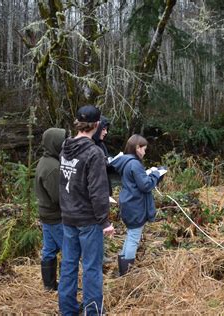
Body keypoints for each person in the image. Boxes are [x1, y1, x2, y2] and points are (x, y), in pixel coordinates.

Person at [58, 105, 115, 315]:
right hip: (88, 220)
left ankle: (67, 310)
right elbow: (98, 192)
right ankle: (92, 312)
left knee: (69, 266)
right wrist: (105, 222)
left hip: (68, 217)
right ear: (97, 124)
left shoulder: (65, 146)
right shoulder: (94, 153)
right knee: (92, 268)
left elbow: (65, 182)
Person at [110, 134, 162, 276]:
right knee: (133, 238)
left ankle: (123, 269)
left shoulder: (125, 162)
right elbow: (145, 186)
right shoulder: (134, 164)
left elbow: (136, 181)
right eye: (144, 149)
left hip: (128, 203)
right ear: (137, 148)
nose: (145, 152)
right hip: (135, 205)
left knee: (130, 235)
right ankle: (126, 275)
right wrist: (156, 175)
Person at [35, 127, 67, 291]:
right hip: (55, 217)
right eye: (62, 142)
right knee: (68, 252)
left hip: (47, 215)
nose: (64, 145)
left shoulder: (45, 160)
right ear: (55, 143)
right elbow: (58, 197)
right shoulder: (53, 167)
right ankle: (66, 288)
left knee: (49, 250)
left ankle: (49, 286)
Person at [92, 115, 113, 196]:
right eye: (103, 129)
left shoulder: (101, 145)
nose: (106, 132)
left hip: (105, 189)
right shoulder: (89, 146)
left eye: (107, 130)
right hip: (96, 192)